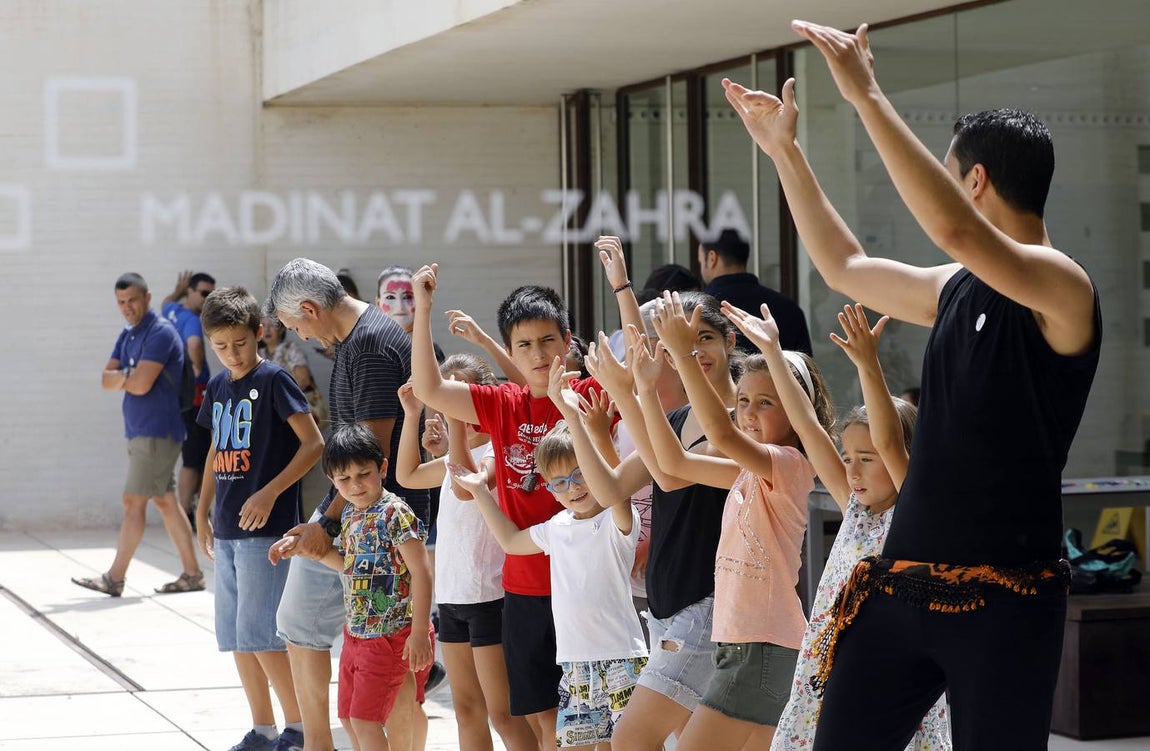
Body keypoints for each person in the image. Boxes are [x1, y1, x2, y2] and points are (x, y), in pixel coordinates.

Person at [723, 20, 1101, 750]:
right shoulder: (954, 287)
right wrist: (785, 153)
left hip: (1006, 599)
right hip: (900, 587)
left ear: (976, 182)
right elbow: (845, 267)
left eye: (954, 181)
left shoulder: (1063, 287)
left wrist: (866, 95)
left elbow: (960, 233)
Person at [718, 302, 948, 750]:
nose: (854, 471)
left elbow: (887, 437)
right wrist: (772, 349)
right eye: (848, 458)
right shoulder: (856, 509)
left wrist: (867, 364)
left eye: (868, 459)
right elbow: (805, 423)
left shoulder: (915, 517)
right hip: (829, 674)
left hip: (892, 682)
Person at [410, 267, 621, 751]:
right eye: (523, 345)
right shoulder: (503, 403)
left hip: (585, 584)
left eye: (548, 341)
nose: (539, 354)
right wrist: (422, 311)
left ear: (567, 341)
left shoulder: (590, 395)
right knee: (546, 720)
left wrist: (622, 292)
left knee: (596, 725)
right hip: (522, 588)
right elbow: (430, 390)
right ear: (511, 348)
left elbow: (640, 398)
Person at [637, 291, 828, 750]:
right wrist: (641, 388)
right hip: (744, 646)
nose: (749, 412)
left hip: (761, 647)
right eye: (744, 401)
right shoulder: (749, 470)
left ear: (798, 411)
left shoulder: (788, 463)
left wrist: (683, 354)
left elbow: (720, 432)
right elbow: (673, 465)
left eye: (766, 402)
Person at [264, 258, 429, 751]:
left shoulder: (372, 345)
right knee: (390, 659)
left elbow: (370, 453)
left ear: (311, 309)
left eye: (296, 326)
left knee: (304, 625)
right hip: (360, 513)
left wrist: (326, 524)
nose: (303, 337)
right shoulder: (360, 339)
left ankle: (318, 744)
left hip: (371, 515)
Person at [451, 413, 646, 751]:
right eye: (559, 482)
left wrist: (598, 437)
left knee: (635, 745)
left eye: (580, 474)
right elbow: (511, 541)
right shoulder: (557, 527)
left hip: (622, 659)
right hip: (574, 667)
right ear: (550, 490)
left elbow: (618, 490)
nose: (573, 487)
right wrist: (482, 493)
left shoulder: (615, 520)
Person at [194, 287, 325, 751]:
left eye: (240, 343)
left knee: (264, 637)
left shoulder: (274, 380)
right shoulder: (217, 387)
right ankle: (263, 729)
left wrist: (270, 493)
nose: (232, 354)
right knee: (237, 639)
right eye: (221, 347)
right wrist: (200, 508)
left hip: (265, 533)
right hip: (227, 528)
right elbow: (215, 448)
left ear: (259, 333)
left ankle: (300, 728)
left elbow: (314, 445)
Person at [395, 355, 537, 751]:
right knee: (465, 708)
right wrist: (412, 414)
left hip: (489, 597)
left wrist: (456, 422)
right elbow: (406, 475)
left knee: (503, 714)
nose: (456, 407)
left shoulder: (495, 452)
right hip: (454, 599)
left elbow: (463, 485)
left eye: (463, 396)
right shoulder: (453, 457)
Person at [276, 424, 434, 751]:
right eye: (344, 480)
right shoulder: (350, 513)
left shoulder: (395, 512)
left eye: (364, 474)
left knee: (366, 721)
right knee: (348, 717)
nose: (356, 485)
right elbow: (348, 565)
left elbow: (421, 570)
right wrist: (308, 550)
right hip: (357, 634)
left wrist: (419, 631)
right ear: (333, 482)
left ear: (383, 468)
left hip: (391, 635)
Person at [72, 273, 203, 596]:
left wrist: (125, 377)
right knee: (166, 501)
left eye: (132, 300)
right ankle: (193, 573)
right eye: (121, 302)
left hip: (158, 432)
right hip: (140, 432)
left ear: (147, 297)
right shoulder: (128, 334)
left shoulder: (161, 334)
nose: (127, 307)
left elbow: (142, 385)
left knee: (133, 501)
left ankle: (115, 578)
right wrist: (128, 376)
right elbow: (105, 380)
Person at [698, 229, 811, 355]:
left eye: (701, 262)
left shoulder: (698, 310)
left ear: (712, 258)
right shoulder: (789, 308)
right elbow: (806, 369)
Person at [162, 270, 217, 525]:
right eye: (204, 293)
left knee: (194, 454)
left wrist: (178, 291)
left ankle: (189, 511)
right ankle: (185, 514)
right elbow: (194, 345)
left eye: (211, 294)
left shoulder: (172, 311)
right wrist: (197, 369)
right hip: (195, 396)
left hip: (177, 397)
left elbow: (164, 303)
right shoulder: (193, 320)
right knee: (195, 458)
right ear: (192, 292)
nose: (208, 299)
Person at [260, 316, 329, 429]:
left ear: (282, 329)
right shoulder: (258, 354)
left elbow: (303, 380)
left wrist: (275, 397)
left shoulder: (291, 349)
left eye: (272, 325)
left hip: (294, 410)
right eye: (264, 325)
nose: (267, 330)